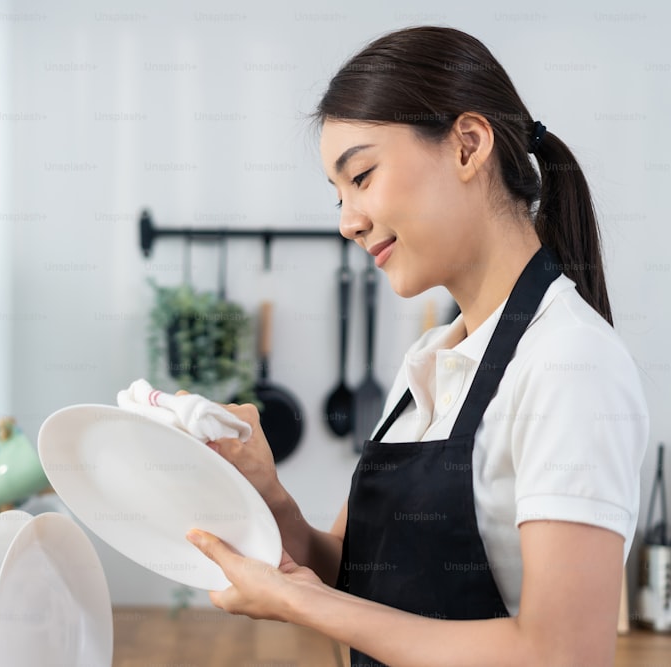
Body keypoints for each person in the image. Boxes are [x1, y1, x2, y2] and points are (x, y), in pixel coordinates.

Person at [185, 26, 649, 667]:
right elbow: (353, 572)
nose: (347, 220)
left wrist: (305, 606)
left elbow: (563, 652)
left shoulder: (570, 364)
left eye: (363, 176)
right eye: (339, 194)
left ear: (468, 145)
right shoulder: (430, 360)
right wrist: (267, 493)